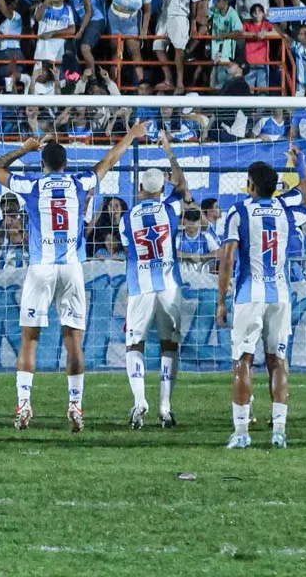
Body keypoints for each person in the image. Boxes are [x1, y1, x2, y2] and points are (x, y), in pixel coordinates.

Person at [0, 121, 144, 431]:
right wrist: (130, 135)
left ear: (42, 164)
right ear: (66, 164)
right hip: (72, 268)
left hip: (41, 268)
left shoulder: (32, 186)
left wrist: (24, 148)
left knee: (29, 339)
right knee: (73, 341)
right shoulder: (79, 182)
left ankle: (24, 403)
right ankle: (75, 404)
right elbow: (110, 159)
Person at [214, 149, 306, 449]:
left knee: (243, 361)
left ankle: (242, 432)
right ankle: (279, 431)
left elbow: (228, 258)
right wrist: (299, 163)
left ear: (250, 185)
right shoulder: (285, 207)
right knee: (277, 361)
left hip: (250, 294)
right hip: (280, 294)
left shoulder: (239, 212)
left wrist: (221, 299)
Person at [120, 131, 188, 429]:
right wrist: (168, 150)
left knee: (134, 344)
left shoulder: (126, 218)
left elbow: (129, 249)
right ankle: (165, 407)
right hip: (169, 287)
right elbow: (182, 185)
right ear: (162, 188)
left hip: (141, 287)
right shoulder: (170, 209)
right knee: (168, 345)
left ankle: (139, 402)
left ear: (139, 188)